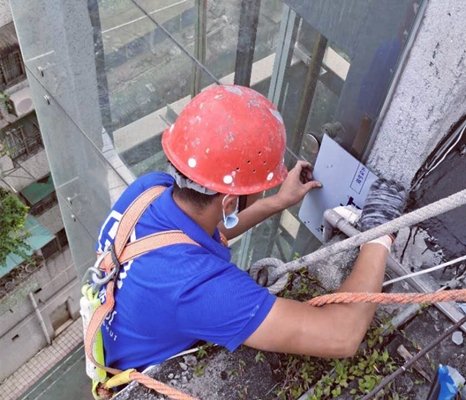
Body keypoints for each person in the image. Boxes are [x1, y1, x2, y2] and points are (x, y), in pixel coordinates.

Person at [96, 84, 407, 372]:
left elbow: (195, 235)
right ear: (230, 203)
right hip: (139, 373)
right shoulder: (201, 290)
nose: (263, 191)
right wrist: (378, 235)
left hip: (116, 337)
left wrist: (276, 201)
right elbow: (341, 336)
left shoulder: (149, 189)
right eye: (260, 187)